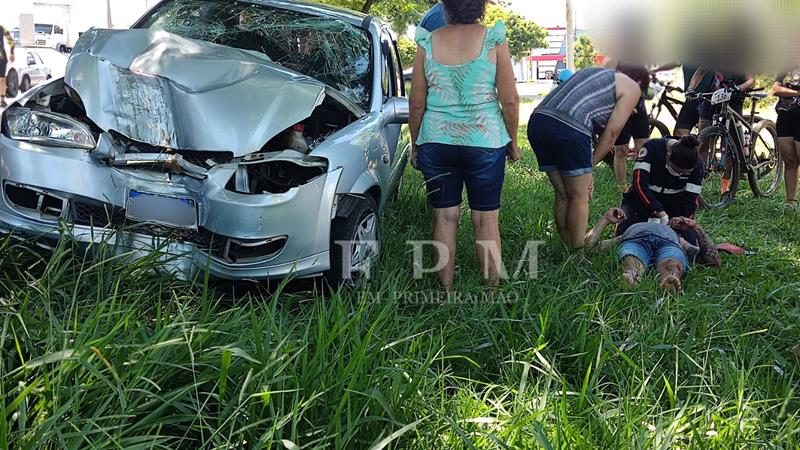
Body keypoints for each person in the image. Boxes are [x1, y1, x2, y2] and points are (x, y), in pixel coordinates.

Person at [409, 0, 520, 291]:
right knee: (486, 219)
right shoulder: (494, 39)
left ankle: (446, 291)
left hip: (436, 139)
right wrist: (513, 141)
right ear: (481, 7)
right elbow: (509, 99)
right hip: (485, 141)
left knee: (445, 216)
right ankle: (491, 292)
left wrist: (415, 141)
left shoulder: (427, 41)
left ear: (446, 8)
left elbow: (417, 101)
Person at [526, 65, 647, 249]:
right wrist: (589, 166)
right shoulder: (632, 88)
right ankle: (577, 255)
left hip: (538, 121)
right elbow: (612, 133)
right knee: (578, 196)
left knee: (562, 193)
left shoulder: (596, 74)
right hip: (570, 126)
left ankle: (567, 245)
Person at [616, 135, 704, 246]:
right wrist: (658, 212)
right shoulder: (652, 148)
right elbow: (639, 183)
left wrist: (681, 220)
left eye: (686, 173)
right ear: (669, 156)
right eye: (678, 170)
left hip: (673, 202)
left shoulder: (697, 164)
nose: (681, 174)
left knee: (689, 242)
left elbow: (691, 200)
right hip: (640, 199)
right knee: (625, 234)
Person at [586, 208, 700, 292]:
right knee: (632, 262)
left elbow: (711, 258)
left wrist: (695, 228)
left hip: (670, 243)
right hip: (635, 240)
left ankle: (668, 280)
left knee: (671, 264)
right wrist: (606, 219)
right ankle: (631, 277)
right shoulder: (626, 233)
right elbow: (587, 247)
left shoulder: (679, 239)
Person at [650, 63, 717, 136]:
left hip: (708, 98)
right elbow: (675, 62)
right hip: (692, 97)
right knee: (679, 132)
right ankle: (688, 146)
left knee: (705, 135)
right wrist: (656, 70)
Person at [773, 67, 800, 208]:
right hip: (785, 116)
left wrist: (787, 92)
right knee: (789, 161)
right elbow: (776, 89)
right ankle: (791, 202)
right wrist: (796, 92)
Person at [0, 24, 16, 108]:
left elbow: (11, 41)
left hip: (2, 58)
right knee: (2, 79)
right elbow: (11, 41)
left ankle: (2, 100)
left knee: (2, 79)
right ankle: (2, 100)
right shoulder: (2, 28)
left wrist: (12, 53)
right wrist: (12, 53)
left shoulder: (2, 28)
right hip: (2, 57)